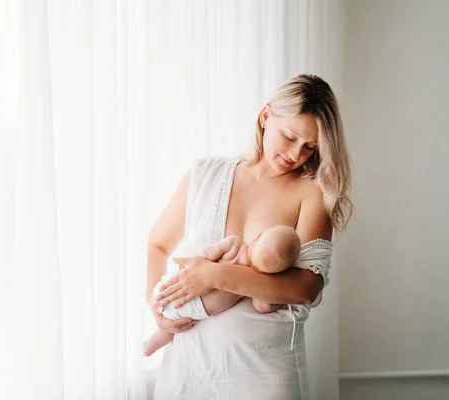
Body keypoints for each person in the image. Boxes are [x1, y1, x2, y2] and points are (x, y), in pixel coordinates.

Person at [146, 74, 353, 399]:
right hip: (189, 370)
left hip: (264, 374)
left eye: (310, 147)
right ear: (266, 116)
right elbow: (158, 244)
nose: (296, 154)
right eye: (290, 136)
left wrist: (217, 274)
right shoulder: (204, 174)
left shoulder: (312, 192)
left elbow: (306, 287)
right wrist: (154, 304)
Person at [143, 225, 301, 357]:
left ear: (258, 237)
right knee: (180, 324)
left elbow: (206, 253)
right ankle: (152, 345)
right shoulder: (257, 284)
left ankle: (150, 344)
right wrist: (278, 304)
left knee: (170, 316)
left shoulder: (236, 246)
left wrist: (186, 263)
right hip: (196, 310)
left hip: (177, 284)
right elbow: (263, 307)